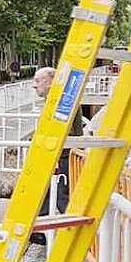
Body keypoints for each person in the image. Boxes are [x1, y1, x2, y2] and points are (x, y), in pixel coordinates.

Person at [32, 66, 83, 236]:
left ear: (52, 81)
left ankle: (76, 236)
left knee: (63, 196)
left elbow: (65, 131)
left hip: (63, 156)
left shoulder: (62, 101)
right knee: (49, 193)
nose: (34, 85)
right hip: (62, 155)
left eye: (38, 80)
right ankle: (40, 230)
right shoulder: (59, 99)